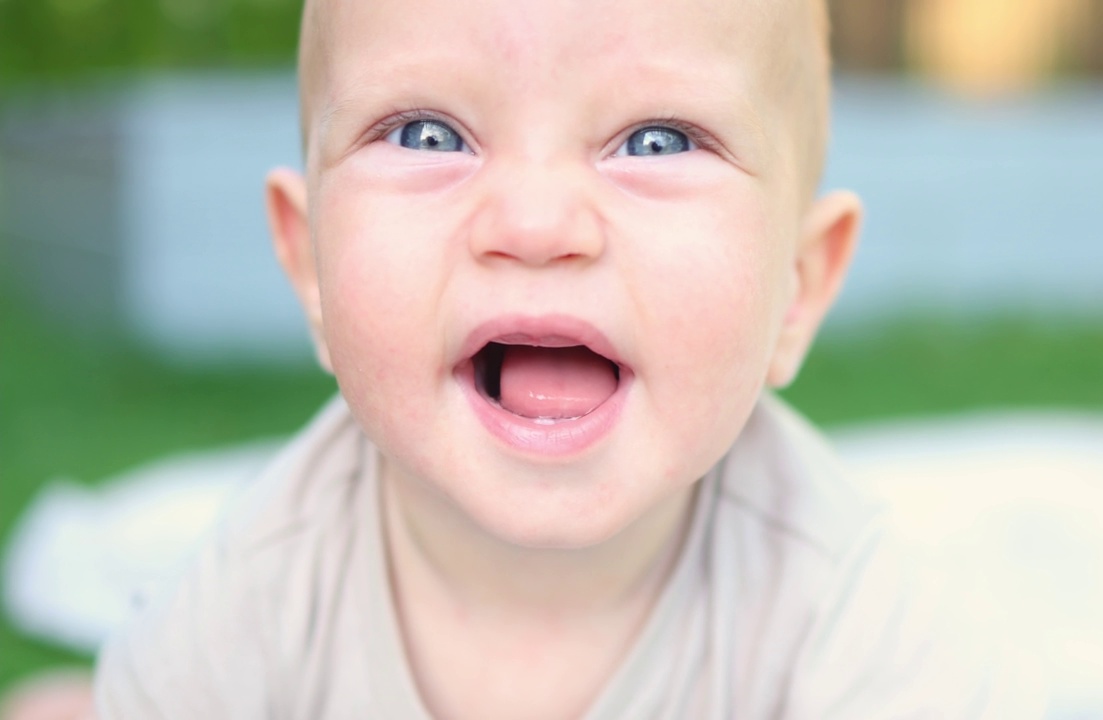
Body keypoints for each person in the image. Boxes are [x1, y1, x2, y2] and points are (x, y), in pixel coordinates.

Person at [73, 0, 1035, 717]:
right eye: (427, 133)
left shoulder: (855, 632)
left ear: (798, 286)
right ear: (310, 263)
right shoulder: (242, 612)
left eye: (657, 141)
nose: (536, 224)